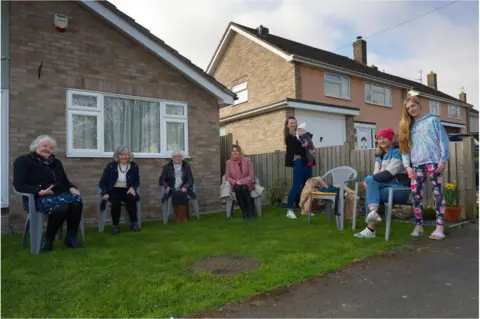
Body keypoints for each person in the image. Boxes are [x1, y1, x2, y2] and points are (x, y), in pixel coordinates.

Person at [13, 135, 83, 252]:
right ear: (36, 146)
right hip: (35, 198)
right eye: (44, 146)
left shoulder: (56, 162)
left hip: (57, 195)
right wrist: (39, 191)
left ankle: (70, 238)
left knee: (77, 201)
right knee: (63, 207)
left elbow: (64, 181)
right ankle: (49, 239)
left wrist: (71, 188)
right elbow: (19, 185)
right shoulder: (23, 161)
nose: (47, 149)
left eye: (50, 147)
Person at [399, 95, 449, 240]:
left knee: (437, 194)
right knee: (415, 194)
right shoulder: (407, 127)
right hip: (416, 165)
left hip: (433, 162)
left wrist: (443, 159)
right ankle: (419, 225)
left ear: (419, 105)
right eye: (408, 108)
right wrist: (407, 167)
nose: (411, 110)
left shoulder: (433, 121)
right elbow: (404, 149)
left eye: (413, 106)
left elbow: (443, 140)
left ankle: (439, 228)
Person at [354, 128, 411, 239]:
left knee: (371, 188)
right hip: (386, 188)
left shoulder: (397, 152)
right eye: (379, 138)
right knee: (372, 187)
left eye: (385, 138)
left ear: (391, 139)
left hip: (400, 189)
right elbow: (376, 176)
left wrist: (368, 180)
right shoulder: (379, 156)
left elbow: (389, 174)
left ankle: (370, 229)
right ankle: (372, 218)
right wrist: (370, 181)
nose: (382, 141)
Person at [99, 146, 140, 234]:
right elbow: (102, 182)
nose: (124, 157)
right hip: (114, 189)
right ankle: (115, 225)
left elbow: (137, 181)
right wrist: (105, 192)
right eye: (122, 155)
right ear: (118, 155)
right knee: (116, 201)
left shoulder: (134, 166)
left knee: (131, 198)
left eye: (126, 155)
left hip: (127, 189)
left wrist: (133, 188)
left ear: (129, 156)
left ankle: (134, 223)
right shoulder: (111, 166)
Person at [285, 116, 312, 219]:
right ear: (287, 125)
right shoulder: (289, 137)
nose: (293, 124)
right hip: (298, 162)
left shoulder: (301, 134)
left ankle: (306, 208)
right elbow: (296, 149)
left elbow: (309, 141)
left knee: (307, 185)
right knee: (296, 185)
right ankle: (289, 210)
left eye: (294, 123)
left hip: (306, 162)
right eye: (290, 123)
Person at [159, 150, 195, 222]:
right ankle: (179, 217)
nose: (178, 158)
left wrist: (186, 186)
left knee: (182, 193)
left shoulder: (186, 166)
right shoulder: (167, 167)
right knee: (176, 193)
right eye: (175, 156)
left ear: (182, 158)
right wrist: (166, 186)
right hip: (172, 187)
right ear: (172, 158)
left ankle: (183, 216)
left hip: (183, 187)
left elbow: (190, 179)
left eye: (179, 156)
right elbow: (162, 180)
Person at [225, 144, 255, 220]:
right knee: (238, 188)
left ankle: (250, 210)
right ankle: (244, 212)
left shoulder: (247, 160)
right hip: (236, 184)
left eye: (236, 151)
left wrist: (242, 181)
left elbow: (251, 175)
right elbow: (227, 177)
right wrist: (235, 181)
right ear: (231, 153)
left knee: (244, 188)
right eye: (233, 151)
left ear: (240, 152)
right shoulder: (228, 162)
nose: (235, 152)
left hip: (247, 183)